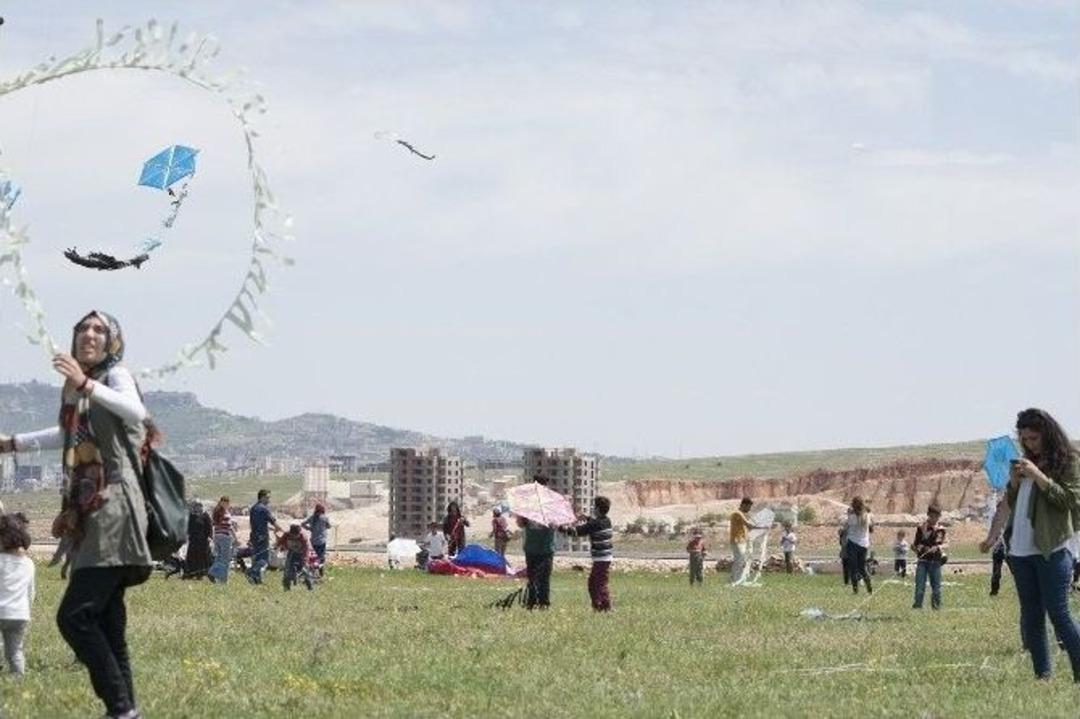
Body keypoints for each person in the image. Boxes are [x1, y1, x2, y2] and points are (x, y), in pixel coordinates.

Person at [0, 310, 154, 718]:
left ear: (112, 341)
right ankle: (126, 711)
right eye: (83, 328)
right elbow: (70, 435)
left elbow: (136, 412)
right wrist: (13, 443)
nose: (89, 333)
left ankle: (120, 708)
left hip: (114, 507)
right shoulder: (76, 392)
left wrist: (86, 384)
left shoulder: (114, 376)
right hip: (93, 510)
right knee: (107, 621)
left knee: (75, 618)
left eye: (99, 329)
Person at [1004, 408, 1080, 681]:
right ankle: (1043, 676)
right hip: (1020, 550)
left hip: (1052, 548)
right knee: (1032, 616)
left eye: (1033, 438)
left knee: (1059, 614)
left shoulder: (1069, 461)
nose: (1028, 444)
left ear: (1047, 435)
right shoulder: (1026, 461)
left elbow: (1069, 500)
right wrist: (1013, 484)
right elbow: (1013, 503)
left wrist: (1038, 475)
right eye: (1024, 439)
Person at [558, 496, 614, 611]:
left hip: (601, 559)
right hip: (604, 558)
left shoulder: (595, 524)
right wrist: (587, 518)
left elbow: (576, 532)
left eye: (594, 507)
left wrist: (559, 527)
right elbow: (595, 523)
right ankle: (598, 605)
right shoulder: (606, 520)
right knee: (594, 583)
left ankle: (605, 606)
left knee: (599, 583)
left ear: (597, 509)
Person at [0, 513, 34, 675]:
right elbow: (30, 592)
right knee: (15, 651)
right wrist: (27, 609)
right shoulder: (28, 564)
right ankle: (18, 680)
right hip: (20, 614)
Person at [521, 475, 556, 609]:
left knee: (541, 578)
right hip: (535, 547)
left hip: (543, 547)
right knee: (535, 577)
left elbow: (554, 523)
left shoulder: (550, 503)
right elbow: (522, 523)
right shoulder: (529, 504)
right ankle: (534, 602)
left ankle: (540, 602)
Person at [912, 504, 947, 609]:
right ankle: (917, 606)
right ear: (928, 515)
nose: (934, 519)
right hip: (923, 561)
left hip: (936, 562)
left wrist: (938, 548)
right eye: (932, 516)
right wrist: (921, 548)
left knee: (936, 588)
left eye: (937, 517)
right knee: (920, 587)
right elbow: (916, 544)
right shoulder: (921, 528)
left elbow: (944, 543)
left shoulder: (941, 529)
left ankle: (936, 607)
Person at [246, 489, 282, 585]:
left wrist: (269, 528)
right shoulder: (264, 509)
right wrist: (280, 529)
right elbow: (273, 521)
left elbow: (257, 523)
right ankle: (251, 572)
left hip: (254, 537)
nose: (269, 500)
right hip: (262, 537)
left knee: (256, 558)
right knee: (263, 560)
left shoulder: (253, 508)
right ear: (262, 497)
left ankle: (257, 580)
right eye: (267, 498)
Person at [844, 497, 873, 594]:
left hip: (852, 543)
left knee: (853, 567)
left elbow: (846, 527)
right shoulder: (867, 516)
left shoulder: (852, 517)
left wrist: (849, 514)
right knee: (862, 568)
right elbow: (871, 528)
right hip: (864, 544)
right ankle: (869, 587)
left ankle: (855, 590)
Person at [208, 497, 238, 584]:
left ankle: (216, 576)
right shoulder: (223, 513)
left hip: (217, 537)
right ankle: (222, 579)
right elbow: (229, 527)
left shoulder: (216, 512)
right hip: (225, 537)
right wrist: (235, 538)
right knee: (225, 559)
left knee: (219, 558)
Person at [277, 524, 314, 591]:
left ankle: (310, 586)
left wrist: (304, 560)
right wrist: (278, 546)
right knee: (287, 570)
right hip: (291, 552)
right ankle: (286, 587)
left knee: (305, 570)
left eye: (296, 535)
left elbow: (306, 550)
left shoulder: (304, 538)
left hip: (302, 554)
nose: (295, 537)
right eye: (293, 535)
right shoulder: (287, 534)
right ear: (291, 533)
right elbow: (280, 541)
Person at [729, 497, 757, 584]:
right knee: (739, 560)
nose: (749, 509)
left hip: (742, 541)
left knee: (741, 560)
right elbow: (749, 525)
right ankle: (735, 580)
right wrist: (764, 526)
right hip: (737, 540)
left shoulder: (741, 514)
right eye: (748, 507)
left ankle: (737, 579)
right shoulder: (737, 514)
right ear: (744, 505)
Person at [183, 500, 212, 579]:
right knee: (192, 556)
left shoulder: (205, 516)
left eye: (199, 506)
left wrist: (209, 536)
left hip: (203, 540)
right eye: (196, 506)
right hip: (193, 540)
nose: (198, 508)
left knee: (202, 557)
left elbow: (209, 527)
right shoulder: (191, 516)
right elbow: (187, 527)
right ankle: (190, 573)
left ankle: (201, 574)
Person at [301, 502, 331, 576]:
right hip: (321, 541)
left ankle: (312, 572)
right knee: (321, 558)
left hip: (313, 541)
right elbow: (329, 526)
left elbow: (302, 524)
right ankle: (321, 573)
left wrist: (310, 529)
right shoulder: (324, 518)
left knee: (313, 557)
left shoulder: (312, 517)